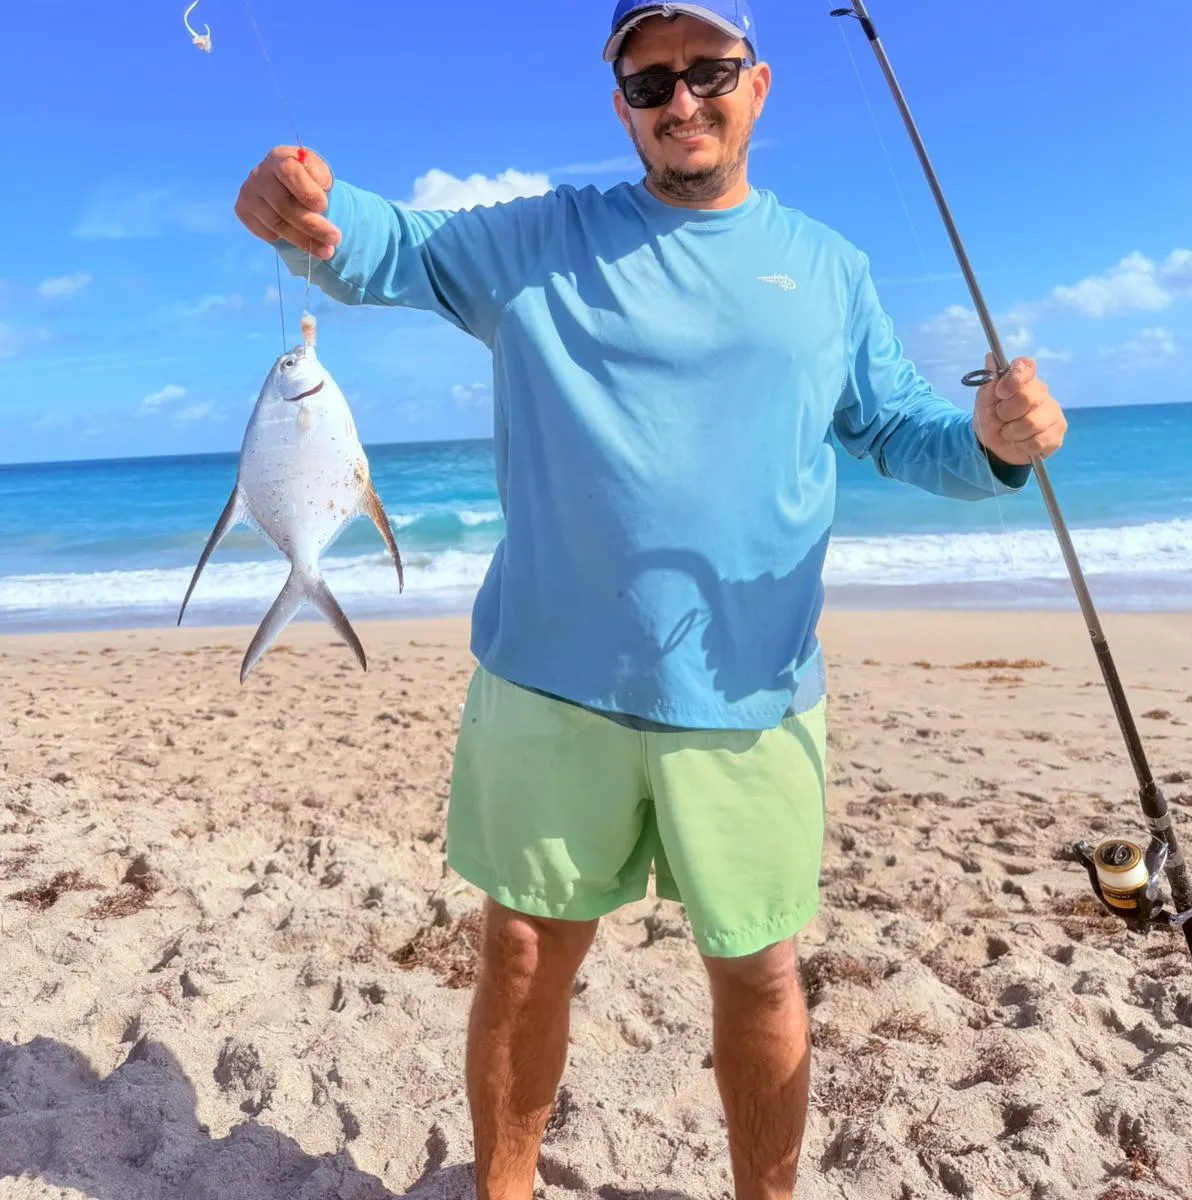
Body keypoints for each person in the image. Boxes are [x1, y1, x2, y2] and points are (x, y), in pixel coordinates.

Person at [235, 1, 1067, 1195]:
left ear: (758, 84)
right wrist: (305, 211)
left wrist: (996, 442)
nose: (682, 100)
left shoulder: (829, 267)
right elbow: (393, 248)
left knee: (761, 971)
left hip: (752, 688)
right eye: (650, 80)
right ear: (620, 103)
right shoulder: (544, 239)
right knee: (522, 951)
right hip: (547, 676)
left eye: (709, 72)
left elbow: (896, 427)